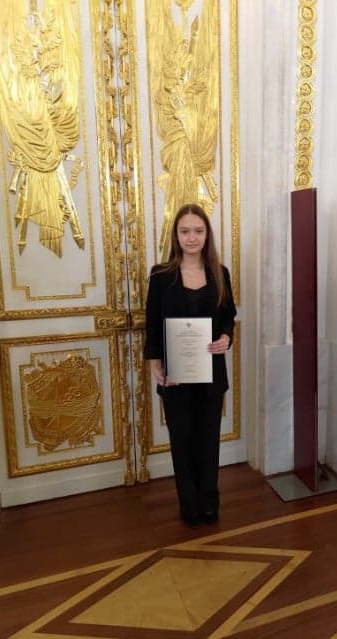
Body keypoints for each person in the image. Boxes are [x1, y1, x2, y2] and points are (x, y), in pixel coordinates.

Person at [144, 203, 236, 528]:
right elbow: (152, 323)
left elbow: (228, 317)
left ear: (207, 234)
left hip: (211, 373)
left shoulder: (220, 273)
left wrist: (226, 337)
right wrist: (155, 362)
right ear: (176, 235)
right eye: (185, 231)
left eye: (198, 231)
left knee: (209, 440)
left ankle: (209, 501)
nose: (192, 237)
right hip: (176, 375)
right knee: (181, 442)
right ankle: (189, 503)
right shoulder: (160, 276)